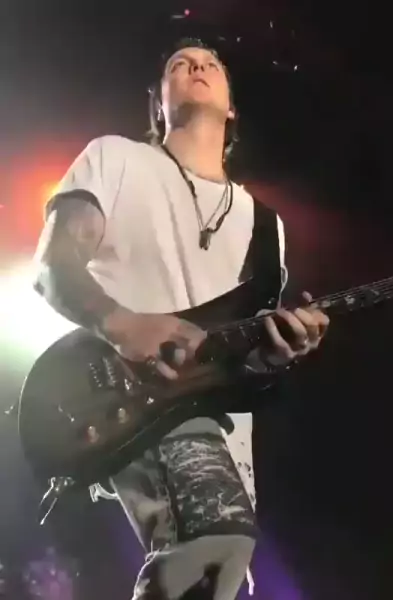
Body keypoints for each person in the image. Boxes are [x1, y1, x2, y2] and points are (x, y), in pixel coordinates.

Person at [32, 38, 329, 600]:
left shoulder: (266, 226)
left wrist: (279, 351)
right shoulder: (115, 158)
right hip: (131, 397)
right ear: (157, 103)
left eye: (211, 63)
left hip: (224, 439)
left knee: (213, 572)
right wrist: (122, 323)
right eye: (179, 64)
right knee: (213, 542)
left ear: (232, 107)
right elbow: (53, 267)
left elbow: (247, 360)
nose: (196, 65)